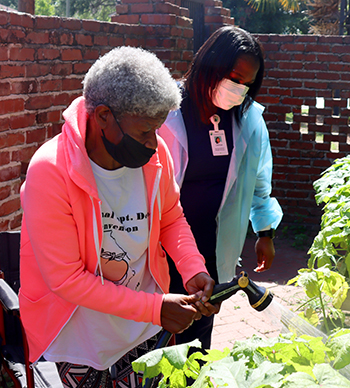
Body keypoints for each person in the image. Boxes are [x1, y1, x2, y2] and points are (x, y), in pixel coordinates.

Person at [19, 46, 219, 388]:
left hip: (139, 327)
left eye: (157, 130)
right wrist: (156, 309)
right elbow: (66, 280)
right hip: (78, 335)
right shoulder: (50, 171)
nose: (154, 143)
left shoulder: (157, 158)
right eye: (144, 132)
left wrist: (192, 268)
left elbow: (171, 218)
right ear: (103, 117)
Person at [158, 26, 283, 349]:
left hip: (210, 251)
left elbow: (259, 181)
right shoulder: (166, 110)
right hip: (159, 246)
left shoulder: (248, 120)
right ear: (209, 64)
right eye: (233, 76)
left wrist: (265, 233)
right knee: (155, 341)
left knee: (196, 342)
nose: (239, 89)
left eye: (247, 83)